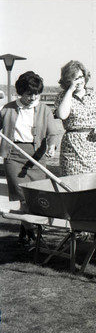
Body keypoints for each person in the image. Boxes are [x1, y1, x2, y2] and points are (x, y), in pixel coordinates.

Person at [0, 71, 58, 244]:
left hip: (36, 158)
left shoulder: (45, 110)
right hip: (13, 156)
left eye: (37, 93)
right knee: (22, 197)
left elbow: (52, 133)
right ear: (20, 92)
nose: (33, 97)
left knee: (36, 197)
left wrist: (52, 145)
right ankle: (34, 234)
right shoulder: (8, 109)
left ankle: (24, 232)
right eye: (29, 94)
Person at [54, 60, 96, 176]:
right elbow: (62, 115)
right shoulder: (62, 96)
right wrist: (70, 91)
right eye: (75, 79)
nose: (79, 81)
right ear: (68, 81)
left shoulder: (95, 96)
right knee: (73, 182)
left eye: (81, 77)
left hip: (94, 147)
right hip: (72, 147)